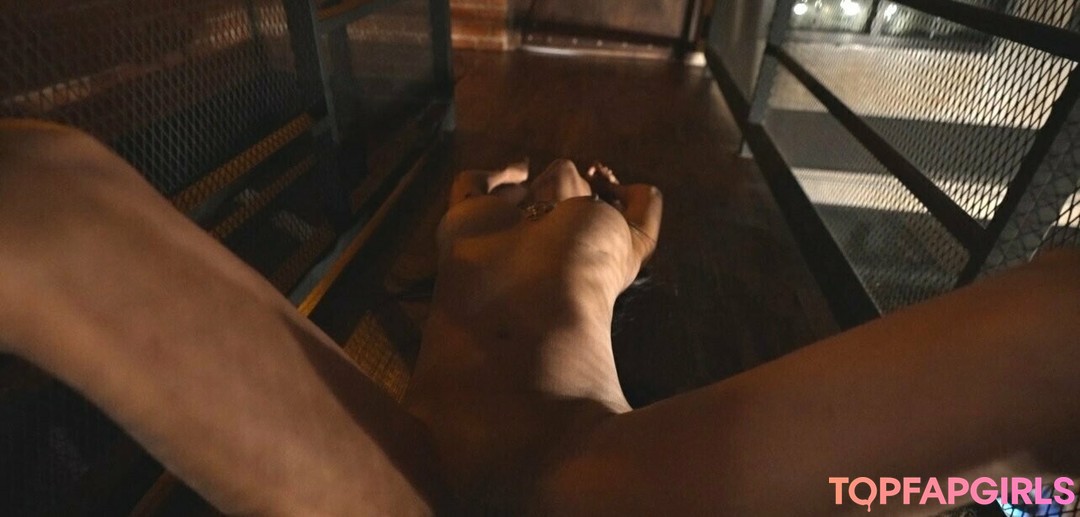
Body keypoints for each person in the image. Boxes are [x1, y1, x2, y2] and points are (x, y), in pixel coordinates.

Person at [0, 118, 1077, 516]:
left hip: (576, 461)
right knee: (47, 186)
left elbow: (651, 203)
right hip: (451, 456)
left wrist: (591, 194)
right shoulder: (485, 210)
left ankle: (1032, 493)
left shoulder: (611, 231)